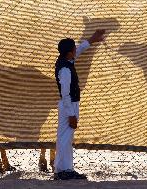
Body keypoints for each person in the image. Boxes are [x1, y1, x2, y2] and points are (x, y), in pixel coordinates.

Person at [54, 29, 105, 180]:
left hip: (69, 105)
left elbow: (81, 49)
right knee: (65, 138)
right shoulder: (65, 69)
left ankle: (63, 169)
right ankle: (64, 171)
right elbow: (65, 94)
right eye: (74, 49)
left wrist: (91, 40)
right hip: (68, 105)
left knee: (65, 138)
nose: (77, 50)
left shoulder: (66, 61)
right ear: (69, 53)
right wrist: (71, 114)